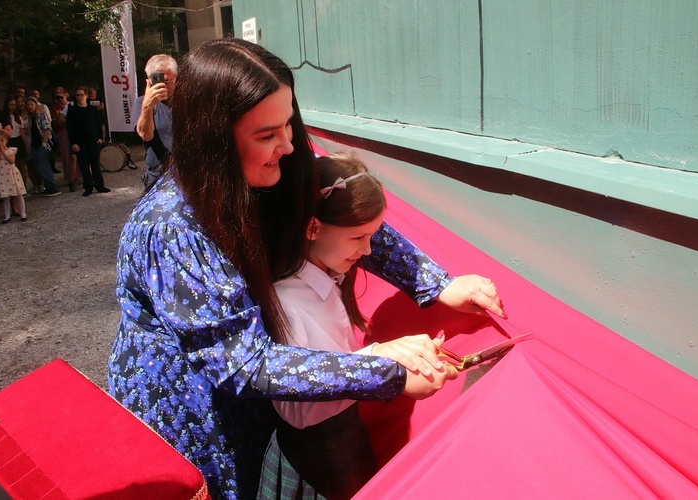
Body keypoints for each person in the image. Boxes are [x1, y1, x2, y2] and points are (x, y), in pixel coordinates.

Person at [108, 38, 502, 500]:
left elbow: (344, 210)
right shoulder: (170, 226)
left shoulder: (274, 158)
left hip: (262, 393)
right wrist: (383, 370)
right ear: (214, 138)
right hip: (197, 412)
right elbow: (243, 363)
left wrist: (435, 283)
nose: (289, 145)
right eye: (266, 135)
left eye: (289, 123)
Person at [258, 152, 409, 499]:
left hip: (344, 444)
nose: (368, 250)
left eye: (372, 236)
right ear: (312, 227)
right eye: (358, 238)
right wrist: (381, 366)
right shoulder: (287, 301)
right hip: (314, 465)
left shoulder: (332, 278)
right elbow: (299, 408)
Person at [132, 54, 176, 189]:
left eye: (168, 81)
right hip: (158, 177)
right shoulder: (142, 103)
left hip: (187, 175)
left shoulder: (187, 100)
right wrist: (148, 105)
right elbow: (146, 135)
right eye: (159, 81)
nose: (165, 86)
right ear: (149, 82)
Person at [65, 86, 109, 196]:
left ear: (86, 96)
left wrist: (100, 138)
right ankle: (88, 187)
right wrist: (73, 143)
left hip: (93, 141)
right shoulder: (72, 110)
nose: (79, 97)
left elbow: (99, 124)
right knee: (84, 166)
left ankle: (100, 185)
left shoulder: (92, 109)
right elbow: (70, 128)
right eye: (77, 95)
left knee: (95, 165)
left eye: (81, 95)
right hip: (80, 143)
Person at [25, 96, 61, 196]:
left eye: (32, 104)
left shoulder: (41, 116)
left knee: (43, 166)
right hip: (34, 145)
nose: (30, 107)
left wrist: (44, 143)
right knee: (39, 167)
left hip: (42, 145)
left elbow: (46, 129)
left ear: (36, 105)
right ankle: (48, 186)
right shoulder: (30, 118)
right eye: (28, 105)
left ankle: (53, 187)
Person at [0, 131, 27, 223]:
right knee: (5, 195)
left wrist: (3, 151)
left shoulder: (11, 150)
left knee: (19, 194)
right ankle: (7, 215)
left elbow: (11, 161)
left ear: (6, 141)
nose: (0, 143)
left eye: (2, 140)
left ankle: (23, 213)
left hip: (11, 173)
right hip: (2, 174)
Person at [51, 87, 80, 190]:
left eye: (61, 97)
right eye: (57, 97)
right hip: (67, 133)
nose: (59, 99)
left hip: (81, 133)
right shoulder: (65, 107)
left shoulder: (76, 105)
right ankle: (72, 179)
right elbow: (58, 121)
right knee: (71, 156)